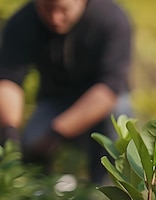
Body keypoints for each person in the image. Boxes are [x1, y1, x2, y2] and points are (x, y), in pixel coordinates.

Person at [0, 0, 132, 184]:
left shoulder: (111, 20)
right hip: (56, 101)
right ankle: (40, 197)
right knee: (31, 142)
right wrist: (9, 132)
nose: (55, 19)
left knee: (117, 118)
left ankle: (105, 196)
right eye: (47, 9)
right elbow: (9, 79)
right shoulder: (22, 21)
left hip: (103, 102)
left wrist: (56, 134)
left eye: (64, 10)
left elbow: (109, 89)